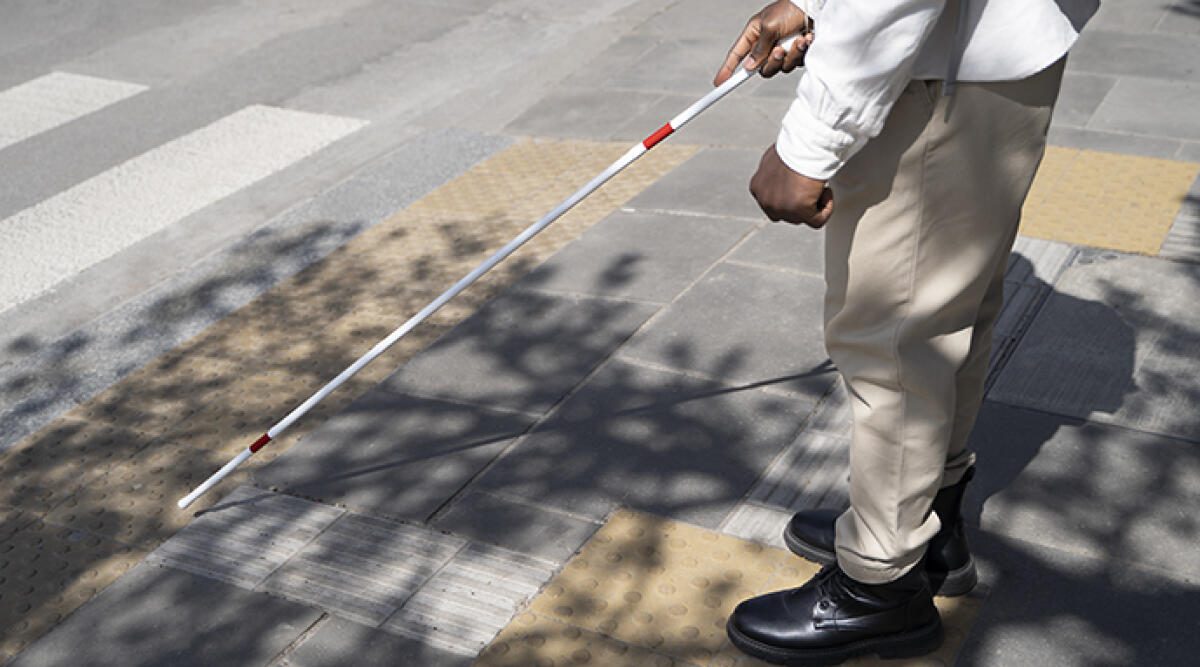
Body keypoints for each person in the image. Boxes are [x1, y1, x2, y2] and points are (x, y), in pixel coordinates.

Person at [713, 0, 1098, 663]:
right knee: (951, 306)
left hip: (935, 66)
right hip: (995, 51)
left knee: (892, 330)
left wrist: (811, 138)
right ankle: (927, 522)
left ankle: (879, 584)